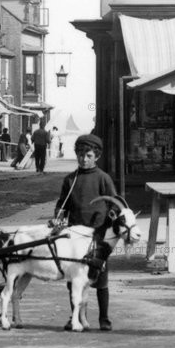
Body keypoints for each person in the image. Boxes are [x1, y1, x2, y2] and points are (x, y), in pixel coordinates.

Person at [54, 133, 116, 331]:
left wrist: (111, 219)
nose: (84, 159)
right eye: (80, 155)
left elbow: (115, 204)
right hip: (74, 237)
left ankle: (104, 320)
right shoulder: (70, 179)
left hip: (97, 237)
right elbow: (62, 205)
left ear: (96, 156)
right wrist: (58, 218)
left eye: (88, 155)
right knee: (75, 278)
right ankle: (78, 318)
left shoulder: (103, 179)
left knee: (100, 278)